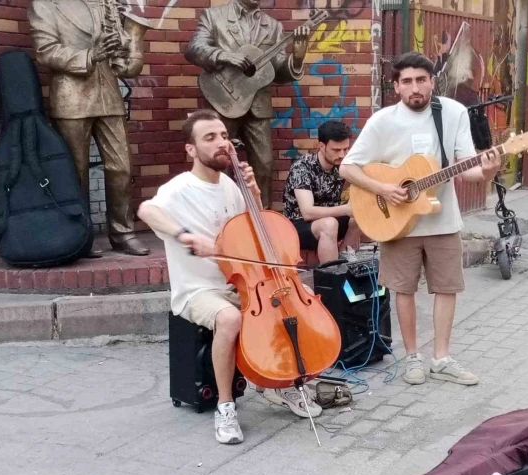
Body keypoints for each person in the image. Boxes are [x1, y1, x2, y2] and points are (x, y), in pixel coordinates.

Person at [137, 109, 322, 445]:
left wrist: (252, 194)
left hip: (241, 283)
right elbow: (146, 210)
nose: (222, 143)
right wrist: (184, 236)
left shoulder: (230, 185)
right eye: (210, 138)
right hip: (198, 291)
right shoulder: (179, 188)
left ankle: (280, 384)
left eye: (224, 136)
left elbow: (255, 232)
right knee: (231, 318)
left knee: (285, 305)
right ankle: (226, 405)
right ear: (190, 149)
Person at [339, 52, 501, 386]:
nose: (416, 88)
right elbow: (348, 167)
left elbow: (468, 167)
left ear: (432, 82)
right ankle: (412, 357)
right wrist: (383, 188)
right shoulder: (383, 121)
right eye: (407, 81)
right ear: (396, 86)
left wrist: (488, 169)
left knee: (447, 288)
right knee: (403, 289)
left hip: (442, 221)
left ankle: (441, 358)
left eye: (422, 80)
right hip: (396, 221)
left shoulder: (453, 112)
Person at [28, 0, 150, 257]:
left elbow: (122, 51)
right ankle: (82, 235)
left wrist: (128, 54)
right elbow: (45, 51)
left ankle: (123, 233)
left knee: (122, 166)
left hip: (109, 95)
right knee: (76, 170)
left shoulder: (108, 3)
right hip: (72, 97)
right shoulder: (45, 4)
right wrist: (89, 55)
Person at [184, 0, 311, 209]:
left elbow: (276, 70)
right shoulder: (214, 16)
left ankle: (263, 218)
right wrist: (224, 56)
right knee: (218, 161)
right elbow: (194, 48)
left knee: (264, 164)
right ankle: (219, 216)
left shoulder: (273, 26)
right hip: (223, 100)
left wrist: (296, 59)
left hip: (257, 104)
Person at [282, 121, 362, 263]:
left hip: (330, 221)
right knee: (329, 224)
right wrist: (345, 209)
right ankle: (331, 277)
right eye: (336, 150)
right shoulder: (302, 167)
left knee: (358, 216)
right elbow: (307, 213)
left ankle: (345, 259)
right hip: (298, 226)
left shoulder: (341, 165)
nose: (342, 155)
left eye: (345, 149)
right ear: (321, 146)